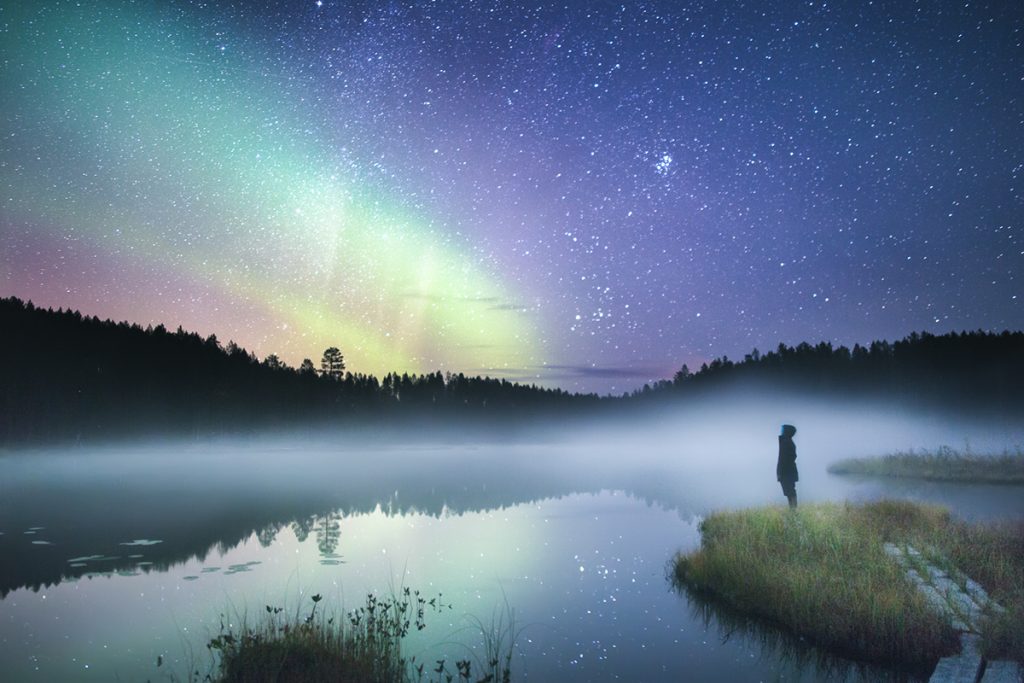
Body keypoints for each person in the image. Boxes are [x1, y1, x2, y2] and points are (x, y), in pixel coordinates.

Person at [777, 424, 799, 508]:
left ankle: (793, 511)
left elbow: (784, 460)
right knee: (789, 492)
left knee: (790, 492)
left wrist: (780, 473)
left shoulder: (786, 443)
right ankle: (793, 510)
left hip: (787, 473)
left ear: (787, 432)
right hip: (788, 472)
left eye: (783, 430)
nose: (781, 431)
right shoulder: (786, 442)